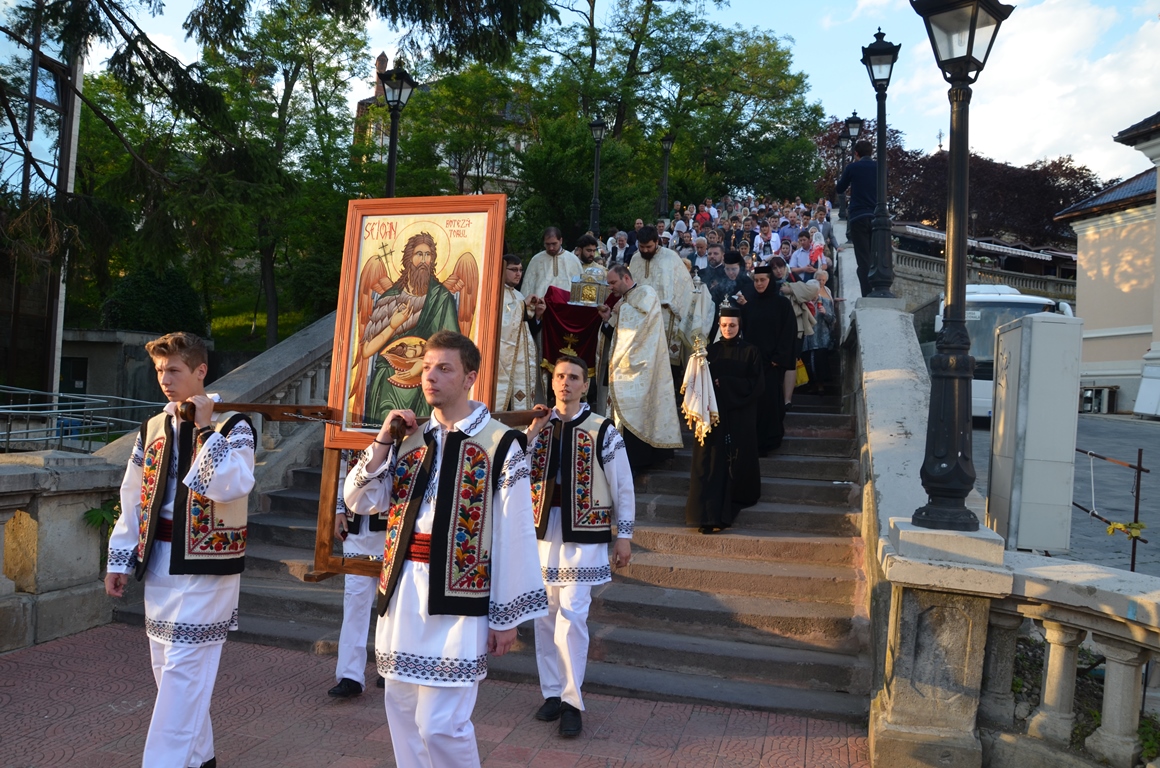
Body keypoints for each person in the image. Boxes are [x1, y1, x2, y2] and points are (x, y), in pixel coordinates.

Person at [343, 330, 548, 768]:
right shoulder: (409, 438)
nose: (429, 376)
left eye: (444, 367)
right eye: (427, 367)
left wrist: (506, 615)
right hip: (402, 592)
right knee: (400, 709)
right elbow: (359, 500)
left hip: (461, 598)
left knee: (442, 724)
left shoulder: (500, 443)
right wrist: (382, 440)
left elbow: (515, 534)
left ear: (470, 376)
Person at [105, 332, 256, 768]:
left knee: (183, 674)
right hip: (159, 564)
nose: (165, 379)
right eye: (159, 371)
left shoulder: (233, 426)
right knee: (168, 669)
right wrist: (119, 556)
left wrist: (205, 428)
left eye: (174, 370)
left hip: (208, 567)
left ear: (200, 371)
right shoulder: (153, 426)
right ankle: (201, 756)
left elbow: (235, 485)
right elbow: (132, 494)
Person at [524, 356, 635, 737]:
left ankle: (572, 701)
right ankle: (551, 693)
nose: (565, 383)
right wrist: (531, 434)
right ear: (551, 382)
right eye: (559, 376)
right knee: (543, 617)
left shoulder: (602, 429)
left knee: (572, 620)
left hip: (584, 535)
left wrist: (624, 534)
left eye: (573, 377)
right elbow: (511, 473)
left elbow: (622, 484)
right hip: (541, 534)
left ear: (585, 385)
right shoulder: (538, 425)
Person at [685, 305, 764, 533]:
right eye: (724, 325)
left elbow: (757, 386)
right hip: (711, 419)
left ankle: (723, 513)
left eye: (732, 325)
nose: (728, 329)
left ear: (740, 326)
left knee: (732, 464)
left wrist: (727, 383)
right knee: (709, 463)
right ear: (718, 326)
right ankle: (704, 514)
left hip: (739, 418)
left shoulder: (751, 352)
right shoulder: (710, 351)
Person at [598, 265, 684, 469]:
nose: (610, 287)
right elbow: (618, 336)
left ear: (626, 278)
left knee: (640, 413)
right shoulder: (624, 302)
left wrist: (621, 310)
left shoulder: (645, 292)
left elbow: (641, 325)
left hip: (643, 368)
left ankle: (642, 461)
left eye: (613, 282)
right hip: (626, 368)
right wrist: (608, 319)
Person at [329, 451, 387, 699]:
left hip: (393, 523)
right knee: (355, 600)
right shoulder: (351, 422)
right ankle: (350, 675)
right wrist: (337, 509)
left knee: (392, 602)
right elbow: (339, 467)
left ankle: (389, 664)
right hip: (355, 527)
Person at [741, 265, 797, 454]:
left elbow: (788, 332)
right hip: (754, 365)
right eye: (756, 280)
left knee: (771, 403)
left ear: (770, 281)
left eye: (762, 280)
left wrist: (778, 358)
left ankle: (770, 441)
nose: (758, 284)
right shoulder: (749, 306)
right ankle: (753, 442)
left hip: (772, 364)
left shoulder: (782, 305)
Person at [629, 225, 695, 371]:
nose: (645, 250)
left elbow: (685, 287)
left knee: (666, 365)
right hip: (641, 318)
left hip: (666, 316)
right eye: (642, 246)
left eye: (649, 246)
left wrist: (674, 307)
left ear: (657, 242)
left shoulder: (670, 257)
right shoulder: (635, 258)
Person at [496, 255, 542, 411]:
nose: (518, 274)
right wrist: (523, 305)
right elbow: (502, 323)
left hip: (519, 363)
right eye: (514, 270)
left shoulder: (518, 294)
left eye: (521, 270)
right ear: (502, 270)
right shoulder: (495, 293)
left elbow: (527, 329)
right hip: (502, 361)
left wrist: (537, 316)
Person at [835, 139, 876, 297]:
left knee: (863, 258)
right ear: (871, 152)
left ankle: (866, 293)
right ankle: (879, 289)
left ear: (856, 153)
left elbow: (840, 188)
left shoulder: (853, 167)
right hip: (876, 217)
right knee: (876, 255)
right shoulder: (880, 168)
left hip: (858, 216)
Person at [523, 226, 585, 300]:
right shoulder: (536, 260)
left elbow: (580, 286)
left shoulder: (572, 259)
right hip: (541, 306)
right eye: (547, 244)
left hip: (566, 305)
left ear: (561, 241)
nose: (551, 248)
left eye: (554, 244)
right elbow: (527, 286)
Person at [802, 269, 839, 395]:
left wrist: (826, 313)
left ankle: (821, 386)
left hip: (821, 338)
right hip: (807, 339)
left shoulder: (826, 302)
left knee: (820, 362)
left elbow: (833, 319)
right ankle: (812, 385)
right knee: (808, 363)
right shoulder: (803, 303)